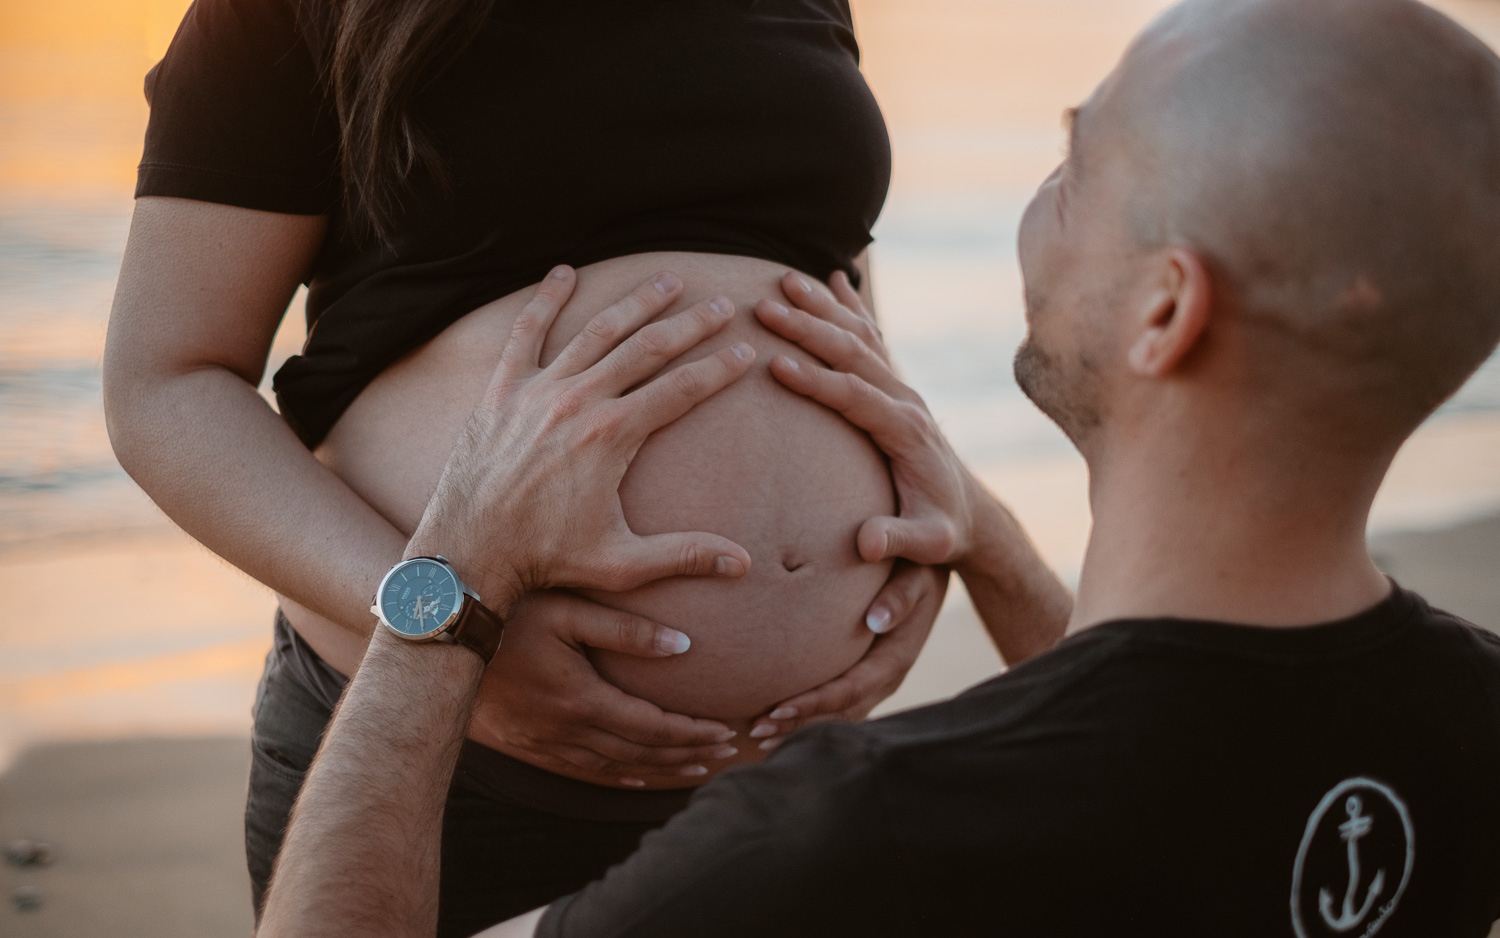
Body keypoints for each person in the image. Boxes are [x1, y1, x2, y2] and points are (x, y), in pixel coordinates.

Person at [255, 0, 1500, 934]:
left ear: (1166, 311)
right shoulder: (1465, 718)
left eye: (1076, 170)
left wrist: (452, 580)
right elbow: (1177, 744)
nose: (1039, 197)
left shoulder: (860, 835)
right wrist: (990, 543)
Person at [100, 1, 1037, 931]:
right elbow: (166, 383)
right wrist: (449, 626)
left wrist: (936, 532)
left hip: (784, 774)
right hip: (457, 769)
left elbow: (838, 313)